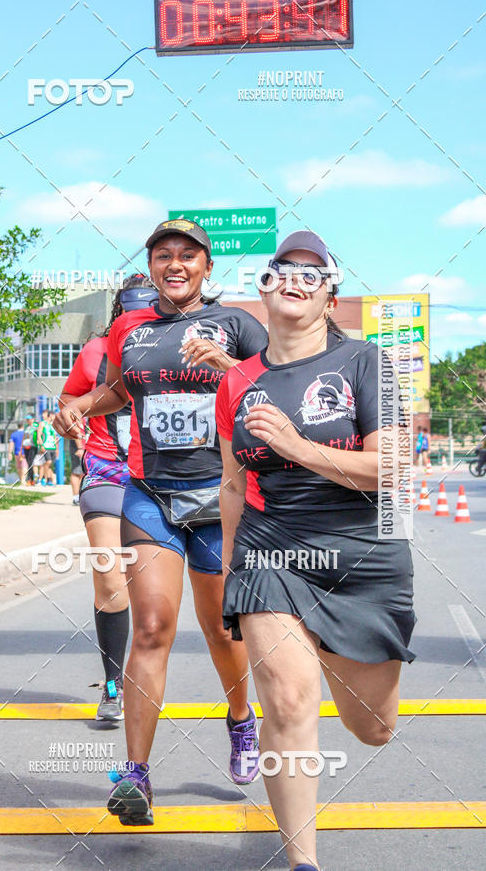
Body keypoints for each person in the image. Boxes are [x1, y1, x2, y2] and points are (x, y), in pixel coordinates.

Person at [54, 219, 269, 825]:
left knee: (222, 630)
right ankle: (138, 777)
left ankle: (240, 719)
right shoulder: (132, 328)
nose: (175, 265)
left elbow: (274, 391)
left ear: (206, 266)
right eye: (163, 256)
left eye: (187, 256)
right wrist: (75, 409)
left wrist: (229, 364)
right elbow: (122, 391)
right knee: (151, 626)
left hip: (221, 496)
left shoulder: (236, 324)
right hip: (151, 494)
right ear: (151, 267)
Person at [216, 230, 416, 871]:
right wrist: (229, 571)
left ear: (331, 295)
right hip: (269, 551)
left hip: (363, 554)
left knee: (373, 728)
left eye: (313, 272)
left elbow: (395, 465)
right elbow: (230, 483)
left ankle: (333, 648)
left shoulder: (367, 362)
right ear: (265, 289)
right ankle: (304, 861)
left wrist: (299, 447)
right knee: (290, 700)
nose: (296, 279)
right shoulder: (237, 381)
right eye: (284, 270)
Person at [59, 273, 157, 720]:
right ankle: (113, 685)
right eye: (130, 311)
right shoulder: (96, 351)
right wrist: (73, 419)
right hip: (106, 468)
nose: (138, 320)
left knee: (157, 594)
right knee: (109, 576)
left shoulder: (182, 345)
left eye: (147, 310)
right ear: (119, 313)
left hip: (163, 475)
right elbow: (69, 399)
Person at [37, 410, 57, 486]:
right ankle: (44, 479)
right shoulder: (42, 423)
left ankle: (48, 479)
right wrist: (41, 445)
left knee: (50, 464)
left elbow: (54, 437)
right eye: (54, 416)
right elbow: (39, 435)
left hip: (53, 447)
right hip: (46, 446)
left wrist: (56, 448)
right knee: (48, 462)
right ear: (51, 415)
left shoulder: (52, 425)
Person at [23, 415, 39, 485]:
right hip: (26, 446)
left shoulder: (36, 426)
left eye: (29, 419)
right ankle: (31, 479)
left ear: (33, 419)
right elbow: (25, 437)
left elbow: (40, 433)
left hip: (33, 446)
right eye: (27, 419)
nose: (28, 421)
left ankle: (30, 479)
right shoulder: (27, 428)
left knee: (31, 462)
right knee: (29, 463)